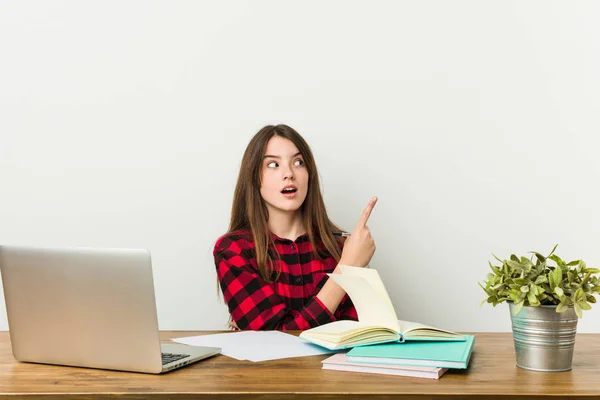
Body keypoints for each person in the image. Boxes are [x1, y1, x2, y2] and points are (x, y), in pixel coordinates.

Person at [214, 124, 377, 330]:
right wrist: (346, 269)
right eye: (273, 164)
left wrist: (349, 261)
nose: (289, 173)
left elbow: (356, 334)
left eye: (298, 162)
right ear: (254, 177)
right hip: (270, 364)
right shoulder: (233, 250)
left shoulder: (342, 247)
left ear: (310, 174)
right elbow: (272, 341)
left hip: (332, 364)